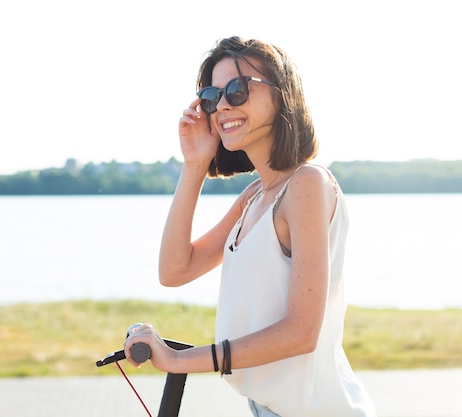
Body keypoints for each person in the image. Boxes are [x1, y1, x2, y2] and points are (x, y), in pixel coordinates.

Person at [124, 36, 376, 417]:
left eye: (238, 90)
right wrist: (194, 166)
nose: (222, 104)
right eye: (211, 96)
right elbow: (174, 271)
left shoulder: (307, 183)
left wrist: (179, 359)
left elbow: (301, 333)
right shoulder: (255, 195)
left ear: (282, 96)